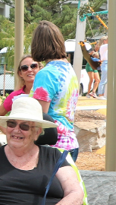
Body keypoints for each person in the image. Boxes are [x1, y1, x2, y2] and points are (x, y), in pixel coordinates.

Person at [29, 21, 80, 161]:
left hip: (52, 147)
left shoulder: (46, 74)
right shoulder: (69, 70)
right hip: (70, 143)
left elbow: (40, 116)